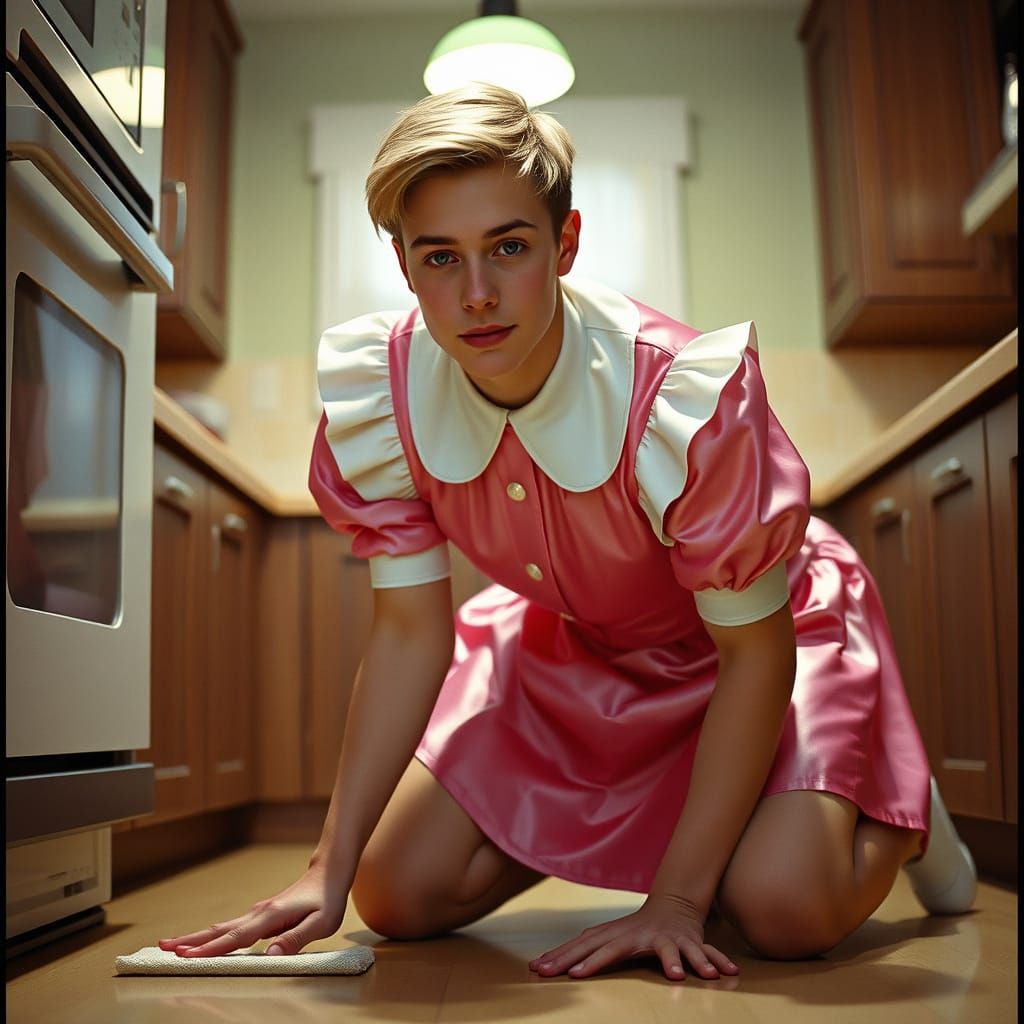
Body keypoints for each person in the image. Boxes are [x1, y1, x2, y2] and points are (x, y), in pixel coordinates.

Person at [160, 83, 977, 981]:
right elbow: (407, 633)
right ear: (403, 265)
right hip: (585, 648)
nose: (477, 294)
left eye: (508, 247)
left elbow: (753, 656)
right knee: (394, 893)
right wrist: (327, 866)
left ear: (566, 243)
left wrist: (674, 903)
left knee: (783, 911)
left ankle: (894, 803)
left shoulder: (678, 398)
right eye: (440, 258)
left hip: (754, 641)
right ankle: (696, 830)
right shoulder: (381, 401)